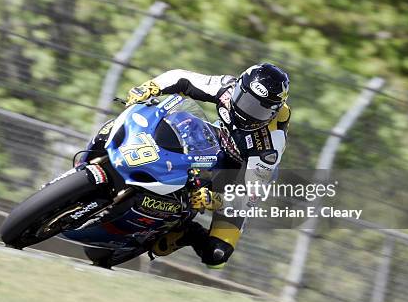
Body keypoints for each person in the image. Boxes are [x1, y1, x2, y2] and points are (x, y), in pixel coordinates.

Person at [125, 63, 291, 268]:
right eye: (245, 100)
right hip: (214, 143)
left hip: (238, 178)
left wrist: (215, 200)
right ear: (239, 86)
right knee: (175, 123)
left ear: (272, 113)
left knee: (217, 255)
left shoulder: (269, 147)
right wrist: (149, 88)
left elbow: (250, 197)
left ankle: (188, 233)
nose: (246, 111)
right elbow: (181, 78)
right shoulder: (226, 87)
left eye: (258, 110)